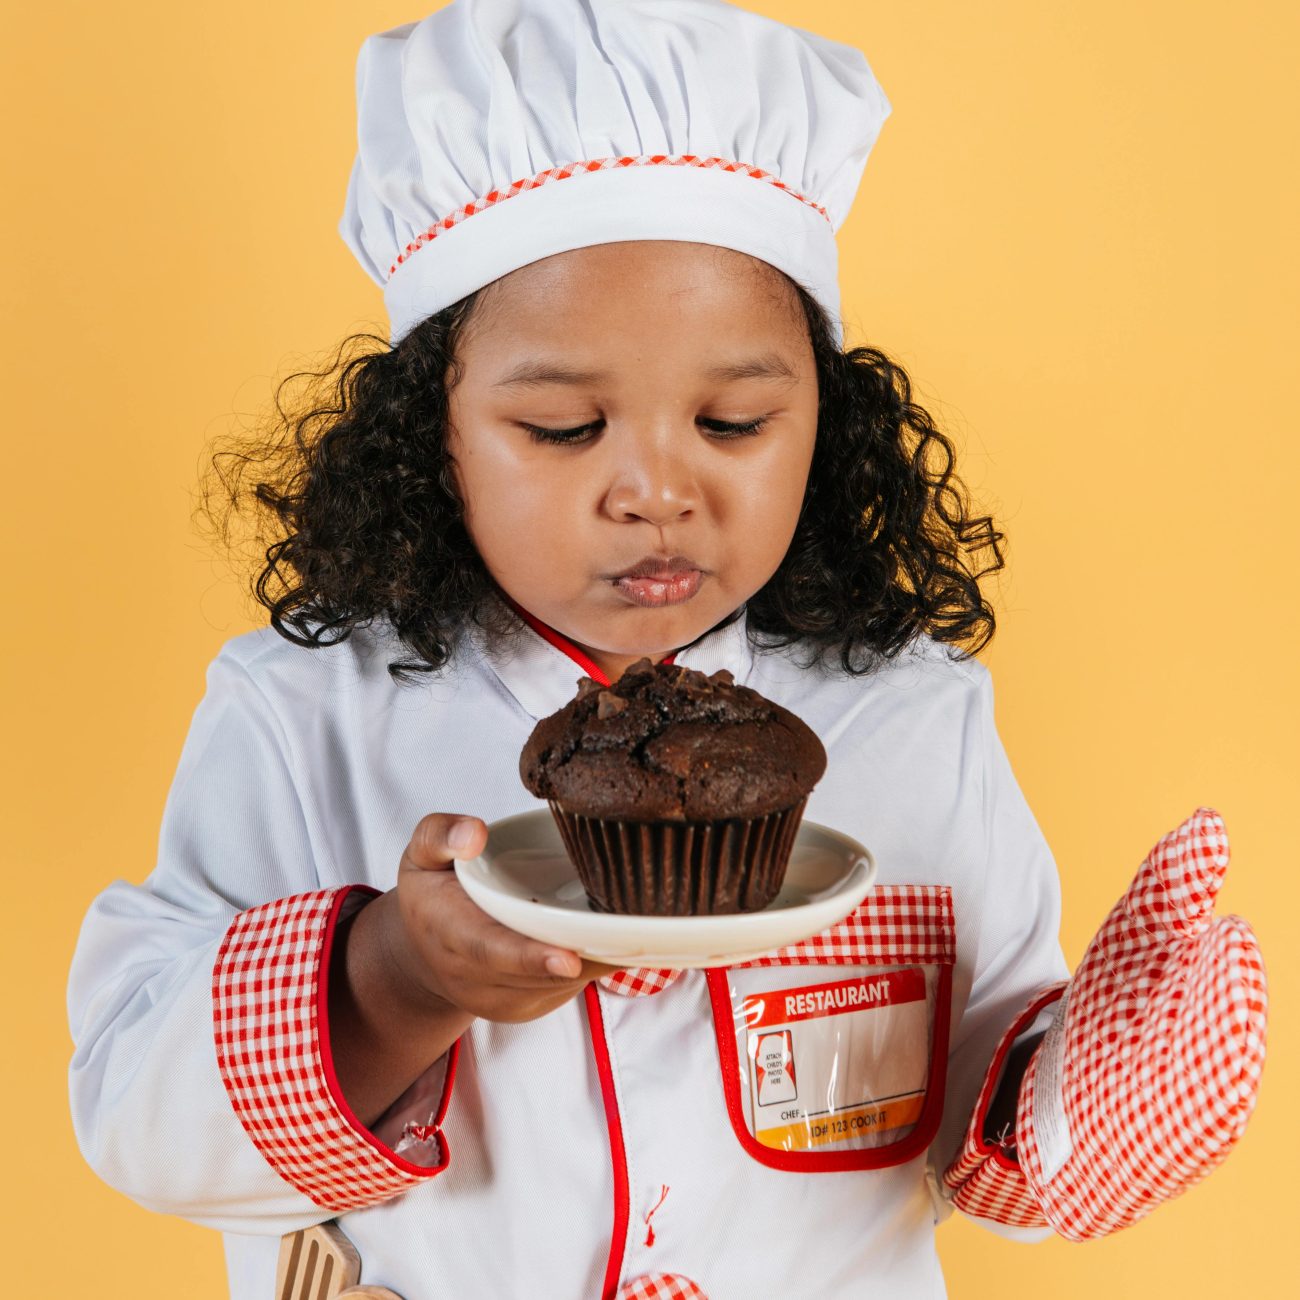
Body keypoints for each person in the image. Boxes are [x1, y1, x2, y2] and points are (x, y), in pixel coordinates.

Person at [66, 3, 1267, 1298]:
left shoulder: (914, 717)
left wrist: (1090, 1085)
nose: (653, 488)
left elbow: (985, 1109)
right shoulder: (299, 715)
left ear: (827, 420)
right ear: (435, 437)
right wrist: (396, 979)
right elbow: (138, 1114)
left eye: (736, 421)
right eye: (567, 427)